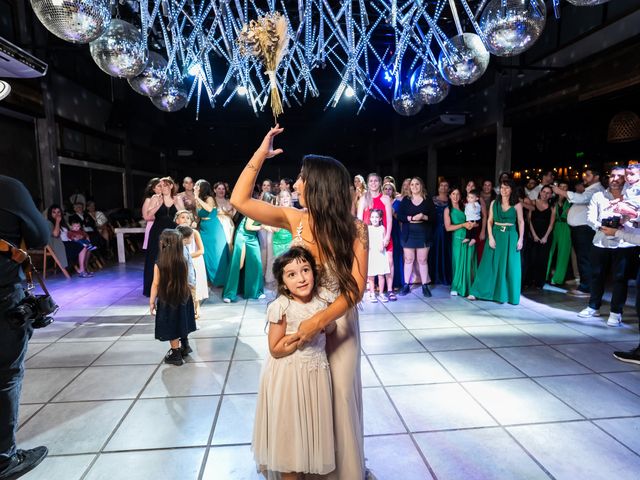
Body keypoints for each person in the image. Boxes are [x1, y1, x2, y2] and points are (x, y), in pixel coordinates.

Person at [230, 126, 368, 480]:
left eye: (301, 178)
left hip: (338, 324)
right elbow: (239, 201)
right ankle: (304, 464)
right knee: (301, 397)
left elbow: (355, 290)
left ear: (318, 185)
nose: (295, 184)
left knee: (337, 396)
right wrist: (261, 153)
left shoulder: (356, 229)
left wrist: (317, 321)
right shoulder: (295, 219)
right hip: (296, 322)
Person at [252, 247, 336, 480]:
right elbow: (275, 349)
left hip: (315, 374)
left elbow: (331, 328)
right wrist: (301, 337)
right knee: (289, 435)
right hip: (289, 376)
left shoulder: (324, 299)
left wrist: (324, 323)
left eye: (305, 270)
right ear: (282, 282)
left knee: (309, 433)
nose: (301, 278)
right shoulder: (282, 306)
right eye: (292, 274)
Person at [0, 175, 50, 479]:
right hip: (3, 294)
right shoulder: (7, 188)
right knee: (6, 374)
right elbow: (39, 236)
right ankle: (4, 458)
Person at [577, 167, 635, 326]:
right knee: (596, 276)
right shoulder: (598, 195)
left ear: (626, 179)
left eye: (619, 176)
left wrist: (619, 227)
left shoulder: (632, 197)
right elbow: (590, 219)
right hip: (600, 241)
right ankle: (593, 307)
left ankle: (616, 312)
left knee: (620, 279)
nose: (615, 179)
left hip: (624, 244)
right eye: (612, 175)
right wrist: (602, 227)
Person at [469, 179, 525, 304]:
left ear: (511, 190)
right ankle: (477, 291)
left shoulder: (517, 204)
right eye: (502, 187)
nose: (504, 190)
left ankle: (505, 295)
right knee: (488, 264)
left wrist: (520, 239)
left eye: (507, 188)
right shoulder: (495, 203)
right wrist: (490, 237)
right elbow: (489, 221)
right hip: (495, 234)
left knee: (509, 266)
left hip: (511, 236)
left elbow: (521, 222)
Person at [552, 168, 604, 297]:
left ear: (596, 176)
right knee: (582, 258)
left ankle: (586, 288)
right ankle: (585, 285)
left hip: (585, 229)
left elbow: (582, 198)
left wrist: (561, 192)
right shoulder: (590, 189)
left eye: (588, 175)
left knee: (585, 258)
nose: (584, 177)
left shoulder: (596, 190)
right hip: (580, 229)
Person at [149, 229, 196, 366]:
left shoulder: (159, 263)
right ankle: (185, 345)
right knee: (182, 320)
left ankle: (175, 353)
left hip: (168, 299)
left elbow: (155, 283)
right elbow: (187, 279)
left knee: (172, 325)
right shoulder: (183, 260)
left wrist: (152, 301)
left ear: (163, 243)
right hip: (184, 297)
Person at [143, 177, 183, 296]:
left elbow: (185, 215)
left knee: (173, 260)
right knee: (155, 259)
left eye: (165, 185)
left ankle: (172, 288)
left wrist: (177, 204)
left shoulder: (177, 198)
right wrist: (158, 205)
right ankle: (154, 289)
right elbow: (147, 216)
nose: (162, 187)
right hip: (157, 233)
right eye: (160, 185)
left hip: (174, 233)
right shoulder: (155, 198)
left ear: (171, 186)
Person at [397, 177, 436, 297]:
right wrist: (411, 218)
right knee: (408, 260)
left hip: (424, 234)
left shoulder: (427, 200)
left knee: (422, 260)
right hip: (409, 234)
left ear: (421, 186)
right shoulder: (406, 200)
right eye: (412, 184)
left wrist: (423, 217)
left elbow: (434, 218)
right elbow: (399, 216)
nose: (414, 186)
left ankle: (425, 286)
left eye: (417, 184)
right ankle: (406, 285)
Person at [358, 173, 395, 300]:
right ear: (368, 183)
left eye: (376, 181)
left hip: (383, 234)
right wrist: (362, 239)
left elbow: (389, 220)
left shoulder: (385, 198)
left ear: (380, 183)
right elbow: (359, 220)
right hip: (369, 237)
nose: (373, 183)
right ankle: (370, 290)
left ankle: (389, 290)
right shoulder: (364, 199)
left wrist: (387, 237)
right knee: (370, 264)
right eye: (371, 181)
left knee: (388, 262)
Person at [194, 179, 230, 287]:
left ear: (202, 188)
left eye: (197, 186)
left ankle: (221, 280)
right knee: (207, 254)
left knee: (216, 254)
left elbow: (209, 208)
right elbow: (199, 215)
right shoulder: (199, 199)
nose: (195, 188)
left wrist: (196, 198)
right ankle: (211, 279)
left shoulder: (209, 198)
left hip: (214, 228)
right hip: (205, 229)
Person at [222, 216, 264, 303]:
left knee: (256, 263)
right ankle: (229, 293)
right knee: (238, 264)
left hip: (252, 237)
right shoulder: (253, 209)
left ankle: (255, 291)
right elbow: (248, 226)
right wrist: (263, 227)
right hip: (243, 235)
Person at [175, 212, 208, 318]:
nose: (185, 219)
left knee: (194, 284)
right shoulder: (174, 234)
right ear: (177, 220)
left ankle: (196, 306)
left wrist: (188, 256)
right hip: (180, 261)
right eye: (182, 217)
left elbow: (201, 250)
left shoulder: (194, 233)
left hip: (195, 260)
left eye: (188, 218)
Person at [445, 188, 475, 297]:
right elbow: (448, 228)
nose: (455, 196)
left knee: (468, 263)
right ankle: (456, 286)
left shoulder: (465, 207)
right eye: (453, 194)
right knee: (458, 263)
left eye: (457, 194)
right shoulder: (448, 210)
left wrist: (472, 225)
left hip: (469, 237)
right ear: (450, 195)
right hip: (457, 239)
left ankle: (468, 287)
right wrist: (462, 225)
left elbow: (474, 219)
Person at [523, 185, 556, 289]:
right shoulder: (533, 202)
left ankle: (539, 282)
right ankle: (528, 281)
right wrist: (534, 235)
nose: (545, 194)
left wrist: (545, 237)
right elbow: (529, 220)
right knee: (531, 258)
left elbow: (551, 224)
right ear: (540, 192)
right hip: (533, 234)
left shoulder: (552, 207)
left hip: (545, 235)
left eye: (548, 193)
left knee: (542, 259)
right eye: (544, 192)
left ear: (551, 195)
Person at [46, 205, 92, 277]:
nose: (57, 214)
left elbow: (70, 233)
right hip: (61, 246)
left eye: (58, 212)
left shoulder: (63, 223)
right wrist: (57, 222)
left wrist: (76, 236)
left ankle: (83, 269)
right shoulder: (49, 223)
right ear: (50, 214)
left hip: (68, 242)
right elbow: (55, 234)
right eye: (54, 212)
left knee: (88, 245)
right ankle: (82, 270)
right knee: (83, 246)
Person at [547, 182, 572, 285]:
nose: (562, 188)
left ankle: (557, 278)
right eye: (560, 186)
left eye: (565, 186)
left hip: (566, 227)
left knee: (563, 253)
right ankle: (545, 275)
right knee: (549, 251)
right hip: (554, 226)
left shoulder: (571, 201)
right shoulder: (552, 200)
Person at [430, 180, 452, 285]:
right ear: (438, 188)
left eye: (446, 185)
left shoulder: (451, 200)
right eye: (441, 185)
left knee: (446, 252)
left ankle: (445, 276)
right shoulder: (433, 200)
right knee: (435, 251)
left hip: (448, 230)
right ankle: (434, 276)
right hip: (435, 229)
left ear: (448, 189)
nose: (443, 187)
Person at [366, 209, 390, 303]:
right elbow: (366, 241)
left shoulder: (382, 228)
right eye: (372, 217)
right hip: (371, 254)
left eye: (376, 217)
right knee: (371, 276)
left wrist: (383, 244)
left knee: (381, 275)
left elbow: (385, 240)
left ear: (380, 218)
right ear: (370, 218)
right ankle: (372, 293)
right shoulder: (368, 228)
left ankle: (381, 293)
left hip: (380, 254)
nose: (374, 219)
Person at [141, 178, 162, 250]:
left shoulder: (165, 199)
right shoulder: (148, 200)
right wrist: (161, 217)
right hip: (152, 226)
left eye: (162, 185)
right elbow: (145, 217)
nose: (161, 187)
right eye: (159, 186)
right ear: (153, 188)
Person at [272, 191, 293, 257]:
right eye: (282, 197)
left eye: (287, 196)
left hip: (291, 244)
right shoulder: (276, 213)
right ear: (279, 200)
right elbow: (275, 229)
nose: (285, 198)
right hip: (278, 245)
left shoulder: (295, 212)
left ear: (290, 198)